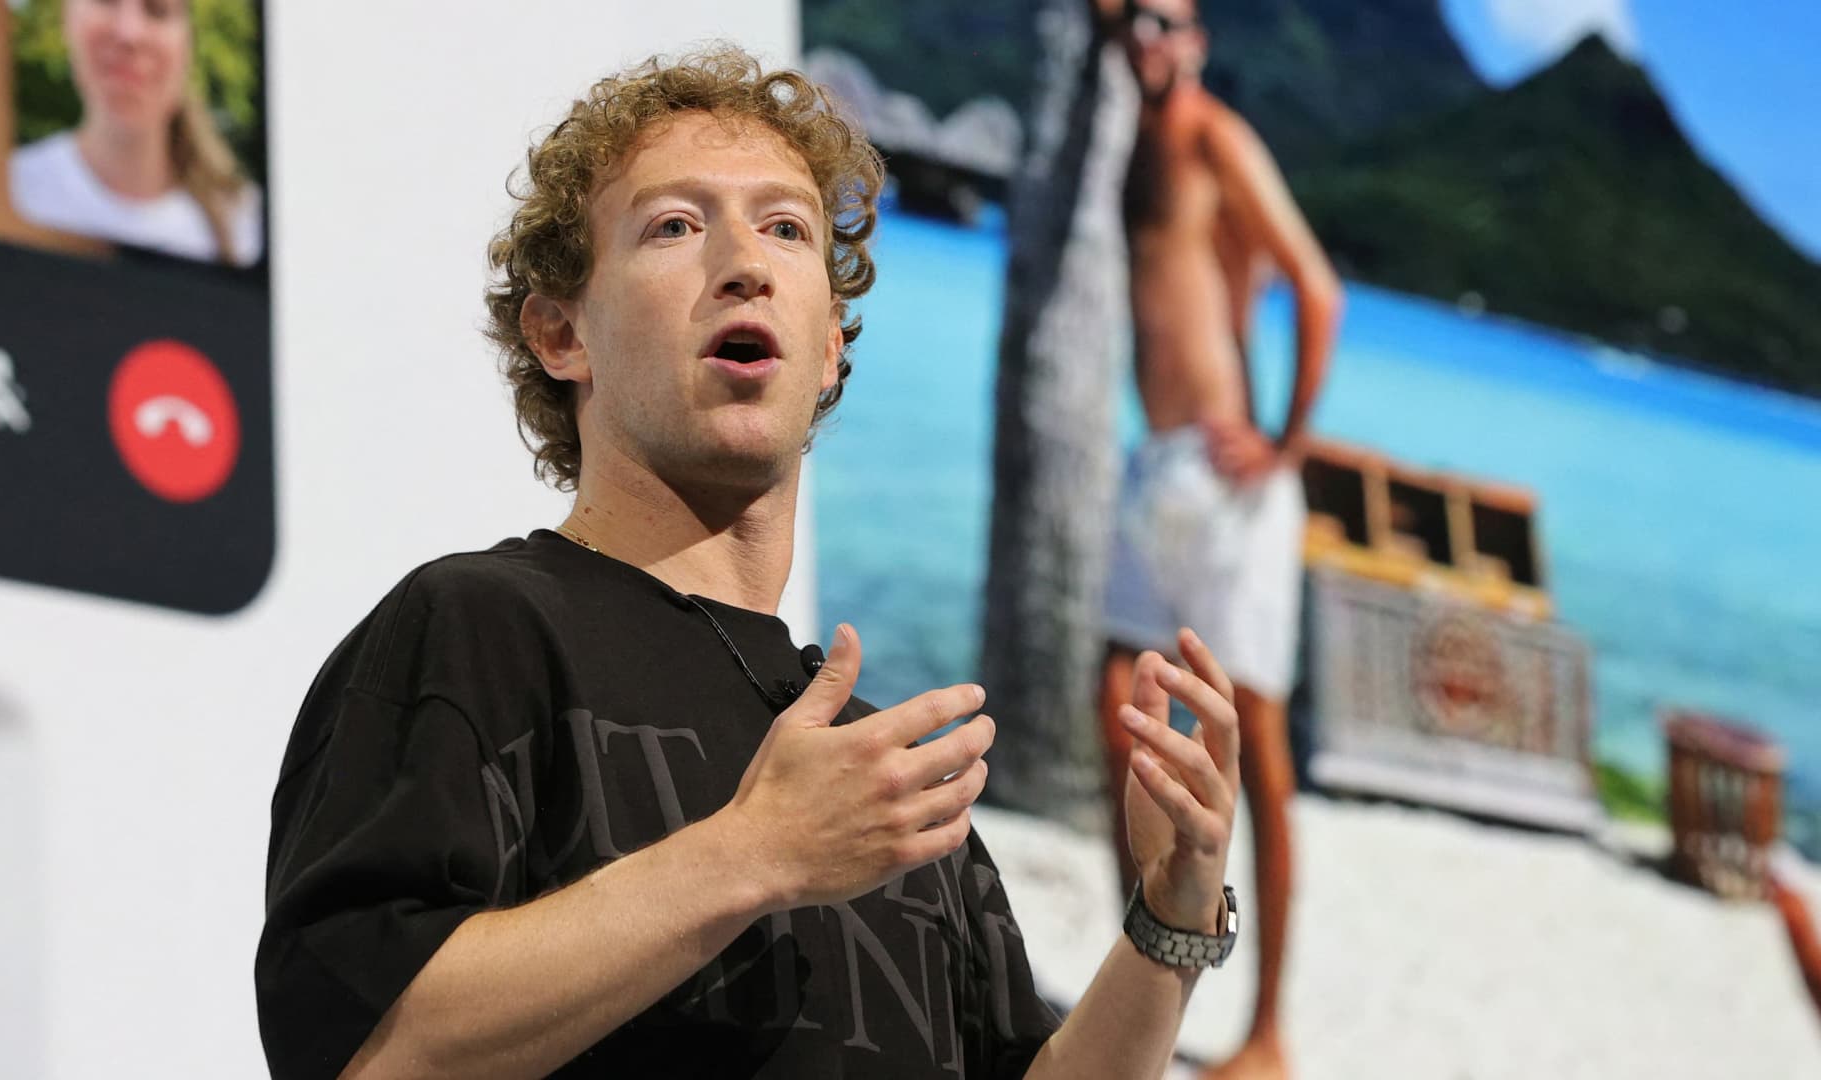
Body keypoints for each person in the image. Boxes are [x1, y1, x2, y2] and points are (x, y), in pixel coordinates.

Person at [256, 45, 1249, 1080]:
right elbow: (366, 1051)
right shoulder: (477, 629)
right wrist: (754, 853)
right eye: (675, 226)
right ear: (560, 333)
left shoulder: (875, 776)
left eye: (786, 228)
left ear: (827, 351)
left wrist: (1167, 923)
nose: (746, 264)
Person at [1090, 1, 1345, 1077]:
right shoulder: (1135, 148)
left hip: (1231, 484)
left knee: (1262, 750)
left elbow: (1318, 289)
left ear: (1198, 39)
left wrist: (1286, 442)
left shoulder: (1213, 137)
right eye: (1133, 22)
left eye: (1169, 20)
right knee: (1118, 714)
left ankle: (1270, 1032)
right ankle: (1147, 986)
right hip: (1158, 468)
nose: (1149, 39)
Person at [10, 0, 262, 266]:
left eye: (158, 10)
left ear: (188, 43)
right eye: (106, 1)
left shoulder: (248, 226)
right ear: (67, 17)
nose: (130, 33)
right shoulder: (11, 189)